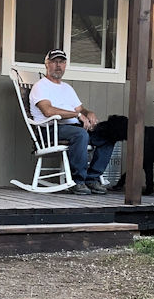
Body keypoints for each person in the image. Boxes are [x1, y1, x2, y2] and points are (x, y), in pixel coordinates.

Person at [29, 49, 117, 195]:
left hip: (73, 128)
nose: (58, 65)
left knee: (108, 136)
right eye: (54, 62)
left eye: (62, 62)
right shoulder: (40, 86)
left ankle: (92, 178)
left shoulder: (67, 88)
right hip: (50, 130)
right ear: (47, 64)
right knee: (81, 134)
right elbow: (48, 111)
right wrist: (77, 115)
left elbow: (80, 109)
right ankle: (78, 181)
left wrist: (88, 113)